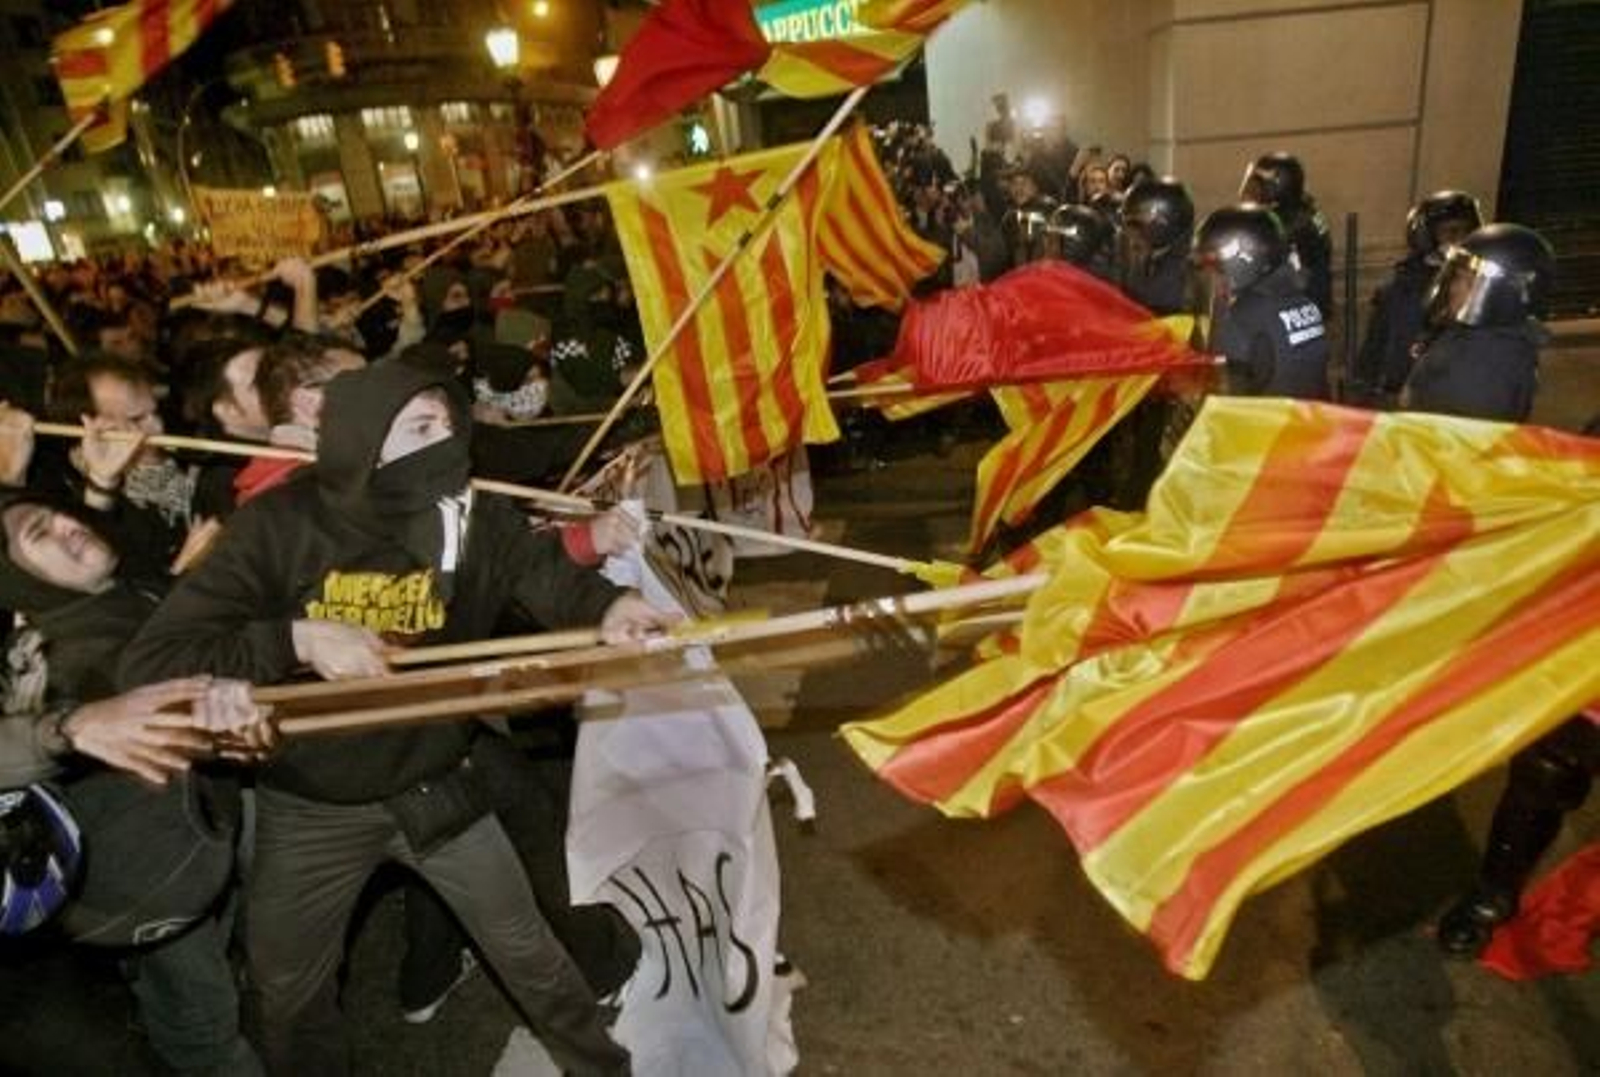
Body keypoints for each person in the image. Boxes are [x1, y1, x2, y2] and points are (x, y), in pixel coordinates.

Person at [119, 360, 670, 1074]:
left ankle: (603, 1068)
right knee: (287, 989)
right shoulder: (278, 525)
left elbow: (536, 568)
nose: (448, 444)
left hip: (434, 782)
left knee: (529, 952)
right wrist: (295, 638)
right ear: (365, 444)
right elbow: (152, 659)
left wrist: (608, 608)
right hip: (310, 802)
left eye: (449, 425)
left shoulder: (462, 509)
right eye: (421, 428)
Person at [1401, 222, 1554, 422]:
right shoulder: (1477, 333)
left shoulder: (1486, 372)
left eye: (1468, 282)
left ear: (1505, 295)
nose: (1453, 289)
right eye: (1456, 277)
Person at [1349, 190, 1482, 407]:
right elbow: (1376, 353)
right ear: (1426, 237)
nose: (1460, 241)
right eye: (1451, 232)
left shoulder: (1483, 288)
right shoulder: (1401, 292)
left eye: (1466, 232)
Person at [1193, 203, 1330, 400]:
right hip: (1308, 424)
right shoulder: (1304, 303)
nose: (1208, 276)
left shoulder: (1242, 318)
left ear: (1240, 261)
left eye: (1213, 267)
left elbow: (1224, 403)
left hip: (1264, 427)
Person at [1240, 151, 1333, 316]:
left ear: (1279, 185)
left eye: (1261, 185)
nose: (1257, 190)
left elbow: (1256, 253)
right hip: (1301, 294)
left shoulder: (1295, 223)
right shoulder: (1300, 207)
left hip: (1304, 306)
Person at [1117, 176, 1194, 316]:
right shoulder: (1153, 253)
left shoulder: (1189, 271)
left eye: (1135, 225)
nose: (1129, 234)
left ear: (1160, 223)